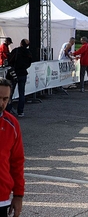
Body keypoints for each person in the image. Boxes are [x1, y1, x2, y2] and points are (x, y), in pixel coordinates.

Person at [0, 78, 24, 217]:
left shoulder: (12, 124)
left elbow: (17, 161)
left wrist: (18, 195)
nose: (1, 103)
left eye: (5, 99)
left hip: (2, 199)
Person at [7, 39, 32, 117]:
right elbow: (29, 63)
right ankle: (20, 111)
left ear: (21, 43)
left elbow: (10, 61)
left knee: (10, 93)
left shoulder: (16, 51)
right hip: (23, 73)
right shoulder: (28, 53)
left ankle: (8, 110)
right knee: (22, 93)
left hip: (14, 74)